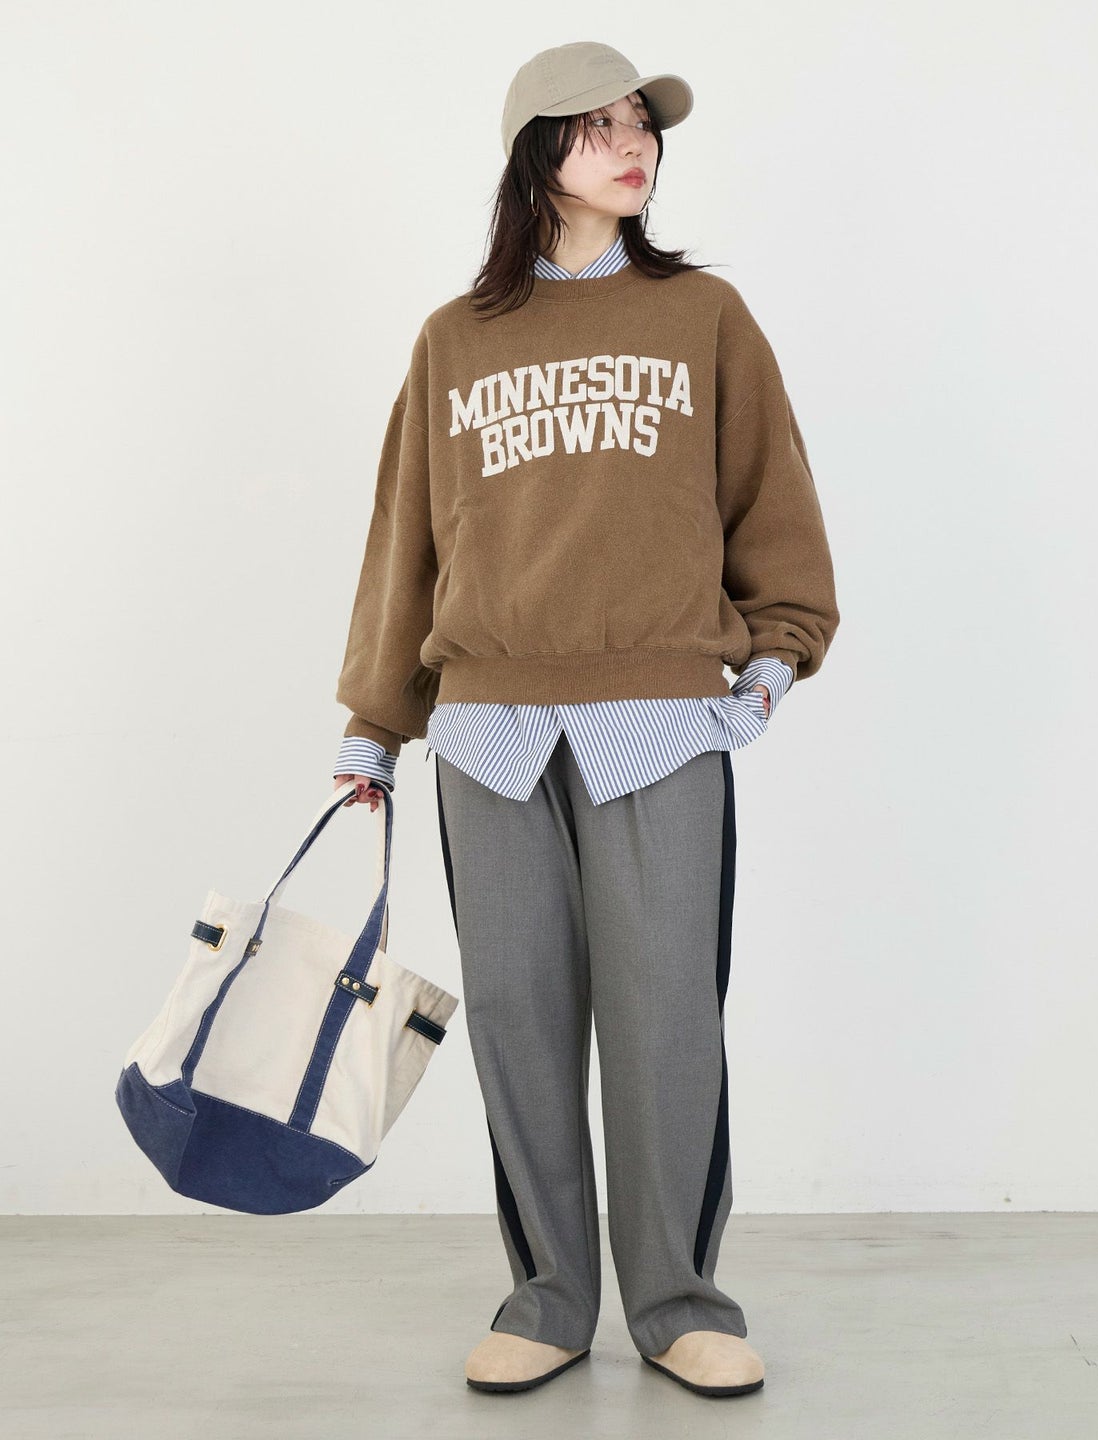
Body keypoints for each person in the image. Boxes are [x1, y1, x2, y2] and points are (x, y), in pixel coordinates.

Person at [333, 40, 839, 1399]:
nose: (634, 146)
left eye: (642, 125)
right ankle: (550, 1298)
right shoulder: (455, 338)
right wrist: (376, 720)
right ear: (533, 153)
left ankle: (678, 1304)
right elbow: (407, 540)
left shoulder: (704, 317)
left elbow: (772, 501)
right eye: (599, 126)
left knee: (668, 1019)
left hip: (661, 724)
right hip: (489, 731)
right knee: (519, 1019)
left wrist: (775, 659)